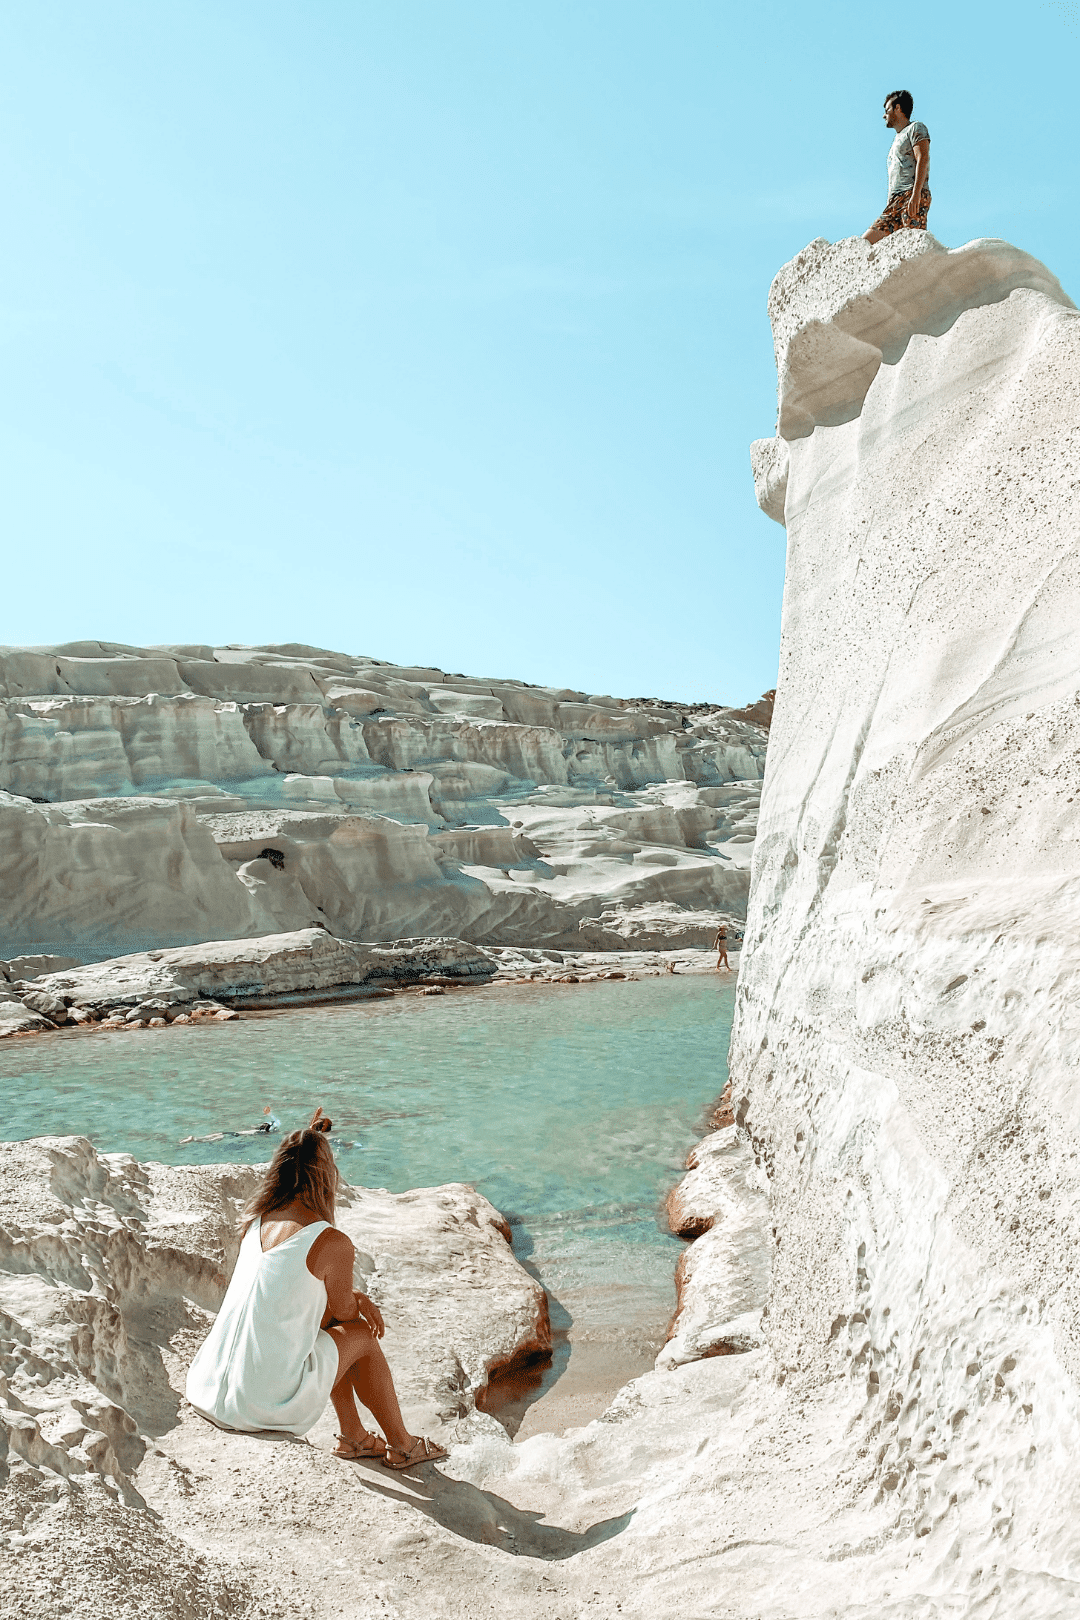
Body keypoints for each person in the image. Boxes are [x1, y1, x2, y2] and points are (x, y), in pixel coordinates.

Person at [185, 1117, 447, 1470]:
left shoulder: (257, 1221)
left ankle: (354, 1435)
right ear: (327, 1177)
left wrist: (348, 1299)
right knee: (361, 1336)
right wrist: (358, 1300)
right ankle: (403, 1445)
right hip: (258, 1405)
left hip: (210, 1388)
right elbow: (346, 1317)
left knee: (324, 1324)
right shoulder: (329, 1241)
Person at [863, 90, 931, 243]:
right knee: (865, 243)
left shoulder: (915, 128)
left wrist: (916, 195)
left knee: (912, 244)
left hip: (910, 195)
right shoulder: (896, 140)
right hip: (894, 202)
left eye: (887, 110)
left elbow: (923, 158)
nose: (884, 115)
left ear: (898, 108)